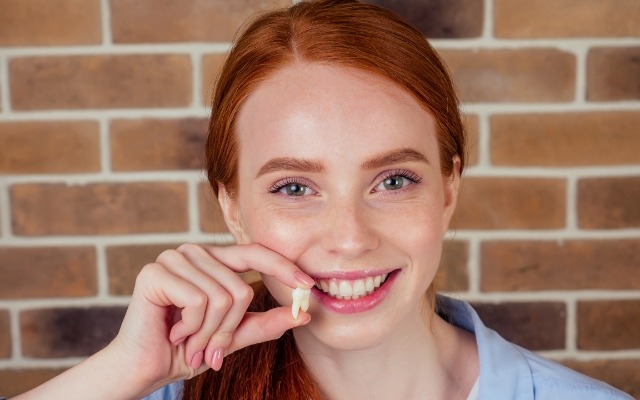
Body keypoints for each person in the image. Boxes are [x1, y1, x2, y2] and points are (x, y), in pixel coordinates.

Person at [11, 1, 634, 399]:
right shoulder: (160, 388)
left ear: (449, 187)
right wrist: (123, 371)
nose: (350, 237)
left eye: (393, 180)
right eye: (294, 188)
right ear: (231, 206)